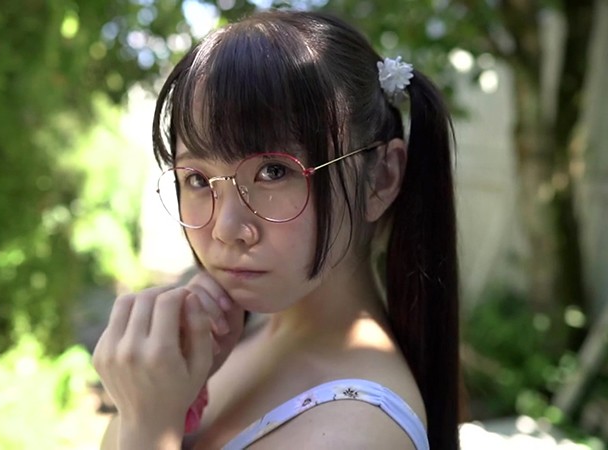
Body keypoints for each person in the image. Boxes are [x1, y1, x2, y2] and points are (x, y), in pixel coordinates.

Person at [93, 9, 460, 450]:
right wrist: (164, 394)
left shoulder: (357, 430)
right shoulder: (228, 342)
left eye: (273, 171)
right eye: (197, 179)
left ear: (380, 178)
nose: (227, 228)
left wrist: (148, 426)